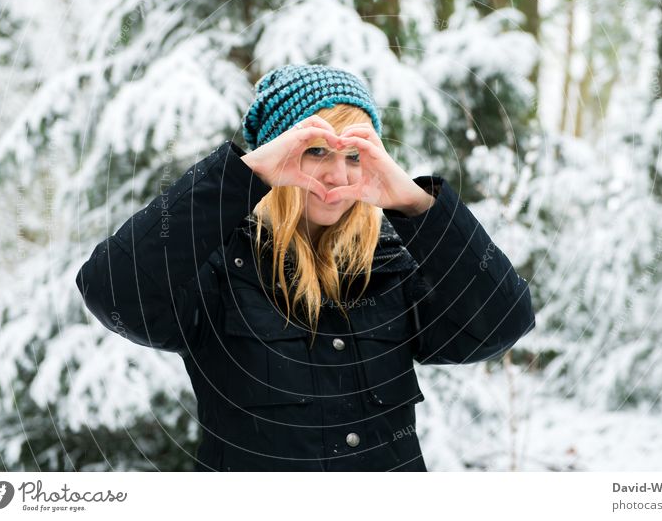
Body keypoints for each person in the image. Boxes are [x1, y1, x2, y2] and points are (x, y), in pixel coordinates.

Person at [75, 63, 536, 472]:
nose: (338, 175)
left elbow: (501, 323)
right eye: (316, 150)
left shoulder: (391, 265)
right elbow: (112, 291)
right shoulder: (218, 268)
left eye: (354, 155)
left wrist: (416, 204)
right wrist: (242, 177)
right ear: (275, 155)